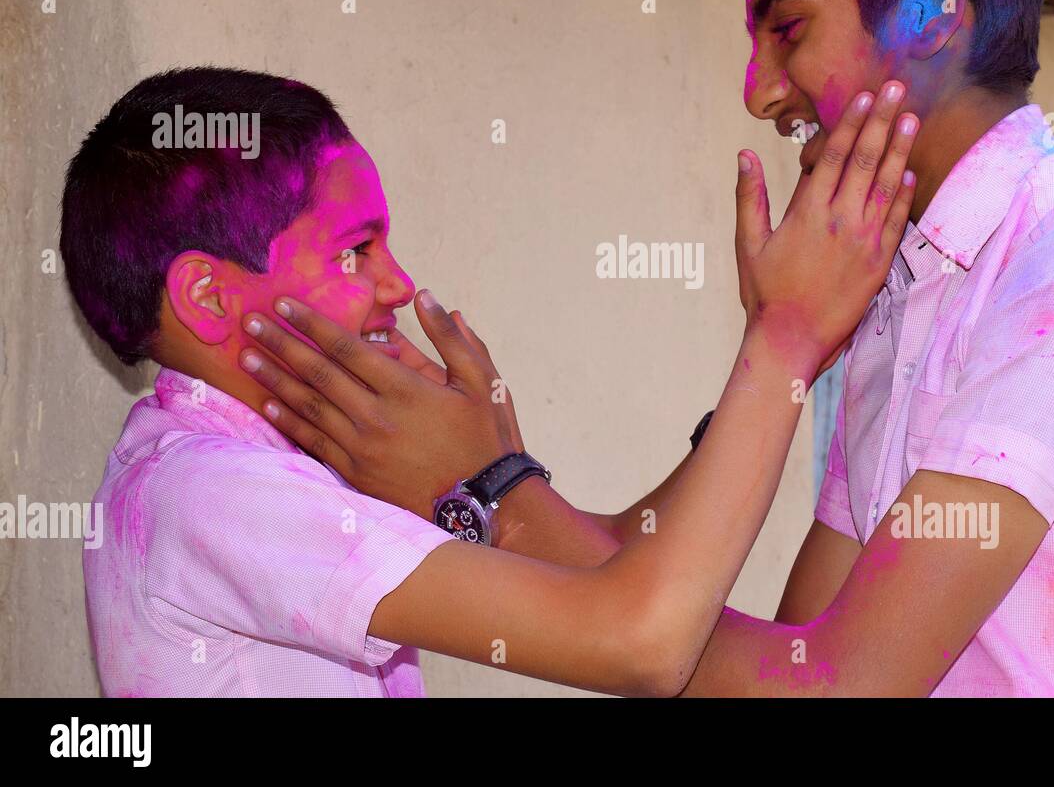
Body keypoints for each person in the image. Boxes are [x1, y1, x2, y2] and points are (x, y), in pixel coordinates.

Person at [256, 0, 1054, 696]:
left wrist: (492, 494)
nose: (760, 92)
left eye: (788, 27)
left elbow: (839, 688)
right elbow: (785, 652)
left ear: (932, 9)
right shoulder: (899, 288)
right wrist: (495, 488)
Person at [66, 66, 916, 696]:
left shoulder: (270, 467)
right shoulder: (210, 491)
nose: (397, 285)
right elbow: (639, 638)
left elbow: (614, 561)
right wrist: (782, 343)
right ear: (208, 297)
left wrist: (776, 363)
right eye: (355, 250)